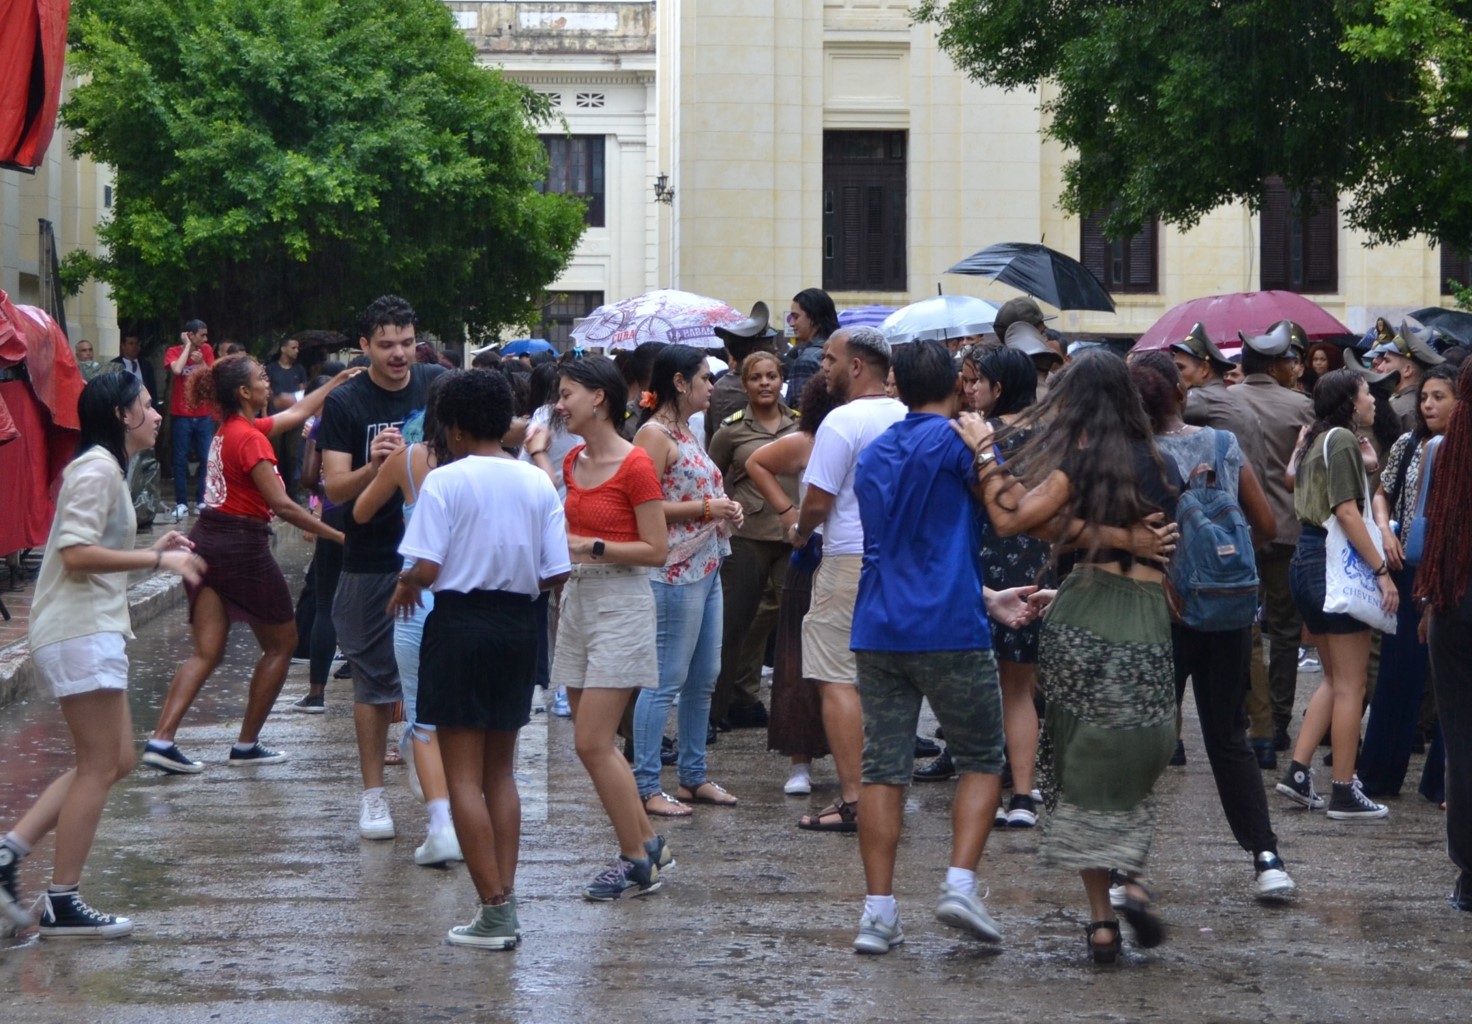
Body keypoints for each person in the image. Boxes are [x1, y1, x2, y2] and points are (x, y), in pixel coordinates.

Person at [956, 348, 1183, 964]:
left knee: (1077, 758)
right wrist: (1119, 536)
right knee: (1133, 751)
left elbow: (1013, 520)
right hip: (1143, 618)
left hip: (1082, 613)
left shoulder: (1081, 463)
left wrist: (984, 449)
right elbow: (1060, 523)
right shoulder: (1161, 463)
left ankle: (1102, 922)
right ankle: (1133, 876)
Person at [847, 340, 1038, 955]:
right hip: (949, 625)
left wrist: (987, 595)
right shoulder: (961, 443)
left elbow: (897, 547)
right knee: (982, 758)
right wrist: (985, 447)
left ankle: (878, 913)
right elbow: (1010, 508)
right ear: (957, 385)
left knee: (882, 769)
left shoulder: (875, 453)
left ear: (897, 385)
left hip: (879, 624)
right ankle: (959, 883)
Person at [0, 373, 203, 939]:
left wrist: (151, 548)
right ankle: (62, 901)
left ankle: (10, 853)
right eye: (147, 405)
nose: (157, 414)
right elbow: (75, 553)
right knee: (98, 764)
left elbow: (94, 551)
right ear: (121, 415)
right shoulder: (95, 470)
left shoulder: (106, 469)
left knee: (116, 760)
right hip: (79, 631)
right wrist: (156, 562)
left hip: (90, 628)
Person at [390, 369, 570, 949]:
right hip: (519, 627)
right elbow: (557, 572)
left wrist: (404, 584)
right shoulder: (536, 482)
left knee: (462, 777)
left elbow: (427, 567)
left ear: (455, 429)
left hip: (460, 625)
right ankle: (505, 897)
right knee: (501, 773)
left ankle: (493, 910)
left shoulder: (445, 481)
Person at [1130, 352, 1296, 899]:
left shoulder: (1135, 455)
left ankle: (1126, 868)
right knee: (1228, 738)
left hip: (1161, 612)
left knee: (1147, 739)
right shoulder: (1223, 445)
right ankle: (1267, 858)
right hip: (1227, 613)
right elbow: (1265, 525)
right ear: (1182, 393)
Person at [141, 356, 354, 774]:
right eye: (261, 378)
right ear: (243, 392)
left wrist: (336, 383)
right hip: (242, 547)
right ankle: (246, 744)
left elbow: (296, 414)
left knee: (206, 652)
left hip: (207, 540)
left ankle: (161, 740)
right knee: (282, 644)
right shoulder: (252, 439)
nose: (267, 382)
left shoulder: (230, 431)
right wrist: (340, 536)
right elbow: (282, 506)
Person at [525, 355, 672, 900]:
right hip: (578, 602)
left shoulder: (636, 465)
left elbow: (656, 550)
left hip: (622, 602)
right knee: (597, 742)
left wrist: (592, 546)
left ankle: (635, 860)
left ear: (599, 398)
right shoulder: (574, 461)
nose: (559, 405)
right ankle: (649, 844)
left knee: (591, 743)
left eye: (566, 395)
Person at [319, 295, 447, 841]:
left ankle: (435, 779)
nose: (399, 354)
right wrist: (376, 465)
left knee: (438, 676)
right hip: (371, 559)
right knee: (372, 682)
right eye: (387, 344)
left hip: (437, 561)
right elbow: (334, 490)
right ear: (365, 346)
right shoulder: (346, 402)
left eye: (407, 342)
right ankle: (373, 795)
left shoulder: (437, 385)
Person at [789, 326, 907, 832]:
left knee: (835, 676)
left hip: (848, 559)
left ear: (856, 366)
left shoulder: (842, 420)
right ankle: (887, 795)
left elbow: (818, 501)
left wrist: (799, 531)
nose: (823, 369)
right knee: (886, 680)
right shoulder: (907, 414)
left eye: (830, 360)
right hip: (901, 560)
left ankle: (856, 799)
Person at [1275, 369, 1398, 820]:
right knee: (1351, 684)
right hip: (1331, 560)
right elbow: (1346, 512)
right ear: (1350, 402)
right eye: (1367, 393)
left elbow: (1296, 483)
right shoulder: (1342, 439)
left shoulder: (1317, 438)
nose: (1373, 401)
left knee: (1332, 678)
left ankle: (1298, 772)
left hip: (1306, 560)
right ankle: (1344, 789)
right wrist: (1381, 572)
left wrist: (1369, 468)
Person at [352, 379, 462, 867]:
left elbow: (360, 511)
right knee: (466, 717)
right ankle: (464, 816)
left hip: (416, 599)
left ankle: (442, 825)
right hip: (471, 601)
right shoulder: (495, 465)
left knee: (422, 714)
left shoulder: (410, 460)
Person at [632, 345, 743, 817]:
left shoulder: (688, 431)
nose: (711, 386)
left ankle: (693, 776)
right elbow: (642, 506)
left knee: (703, 677)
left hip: (706, 563)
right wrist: (707, 507)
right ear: (680, 383)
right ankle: (645, 785)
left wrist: (724, 508)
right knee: (665, 679)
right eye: (704, 378)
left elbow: (699, 491)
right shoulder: (652, 434)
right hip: (673, 572)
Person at [944, 347, 1052, 826]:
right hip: (1039, 565)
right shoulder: (1052, 434)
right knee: (1020, 687)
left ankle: (983, 791)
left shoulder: (979, 436)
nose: (969, 389)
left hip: (985, 564)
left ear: (999, 387)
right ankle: (1024, 795)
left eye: (976, 381)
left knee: (978, 687)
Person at [1358, 364, 1457, 796]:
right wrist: (1384, 529)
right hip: (1408, 564)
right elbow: (1383, 491)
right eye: (1425, 397)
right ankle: (1379, 775)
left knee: (1452, 679)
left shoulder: (1462, 449)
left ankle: (1442, 783)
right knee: (1398, 673)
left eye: (1439, 397)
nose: (1428, 405)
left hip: (1452, 569)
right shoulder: (1408, 442)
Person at [747, 374, 843, 795]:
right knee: (797, 659)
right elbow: (757, 463)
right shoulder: (809, 440)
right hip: (814, 552)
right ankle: (799, 761)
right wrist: (789, 514)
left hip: (854, 553)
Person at [1228, 324, 1315, 767]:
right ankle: (1278, 719)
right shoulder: (1302, 406)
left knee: (1241, 626)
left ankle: (1249, 714)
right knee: (1284, 630)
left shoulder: (1224, 401)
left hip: (1236, 529)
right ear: (1277, 365)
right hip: (1285, 530)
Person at [708, 350, 799, 731]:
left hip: (793, 535)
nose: (765, 383)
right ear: (744, 384)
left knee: (795, 621)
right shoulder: (730, 430)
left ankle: (795, 715)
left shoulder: (801, 425)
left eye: (771, 376)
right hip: (747, 536)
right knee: (732, 624)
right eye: (756, 377)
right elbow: (712, 477)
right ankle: (715, 710)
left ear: (782, 381)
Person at [1413, 358, 1472, 911]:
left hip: (1455, 600)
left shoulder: (1446, 452)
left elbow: (1428, 538)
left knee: (1461, 740)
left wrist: (1430, 600)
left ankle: (1470, 876)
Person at [520, 360, 583, 718]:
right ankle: (557, 686)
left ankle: (546, 685)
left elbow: (525, 465)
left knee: (547, 605)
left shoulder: (544, 416)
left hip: (555, 519)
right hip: (563, 519)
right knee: (562, 606)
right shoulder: (554, 417)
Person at [1172, 322, 1266, 484]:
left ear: (1204, 370)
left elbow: (1160, 413)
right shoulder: (1231, 399)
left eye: (1180, 368)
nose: (1174, 375)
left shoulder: (1202, 397)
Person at [705, 301, 779, 444]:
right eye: (770, 343)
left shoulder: (720, 385)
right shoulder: (761, 389)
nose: (775, 349)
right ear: (755, 352)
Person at [165, 319, 216, 521]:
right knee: (180, 460)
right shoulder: (174, 351)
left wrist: (201, 362)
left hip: (203, 414)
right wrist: (187, 347)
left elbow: (211, 376)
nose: (205, 339)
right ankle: (181, 503)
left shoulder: (207, 350)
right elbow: (177, 370)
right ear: (190, 335)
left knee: (206, 457)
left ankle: (202, 500)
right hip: (181, 414)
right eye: (202, 335)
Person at [1369, 320, 1447, 432]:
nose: (1380, 367)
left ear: (1407, 370)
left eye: (1387, 361)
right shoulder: (1404, 403)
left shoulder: (1404, 409)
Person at [265, 335, 309, 498]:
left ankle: (292, 490)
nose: (297, 351)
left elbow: (303, 392)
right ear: (283, 349)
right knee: (275, 454)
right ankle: (277, 490)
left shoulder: (299, 369)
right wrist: (265, 414)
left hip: (295, 418)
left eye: (298, 348)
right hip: (275, 417)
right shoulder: (271, 368)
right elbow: (266, 392)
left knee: (293, 455)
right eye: (293, 347)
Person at [783, 288, 839, 406]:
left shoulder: (806, 360)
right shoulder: (842, 352)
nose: (791, 323)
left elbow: (800, 409)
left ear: (814, 318)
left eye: (796, 317)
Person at [110, 333, 161, 411]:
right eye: (131, 344)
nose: (135, 347)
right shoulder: (114, 365)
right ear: (123, 346)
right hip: (123, 407)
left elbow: (152, 389)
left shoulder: (146, 365)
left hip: (143, 406)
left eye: (137, 343)